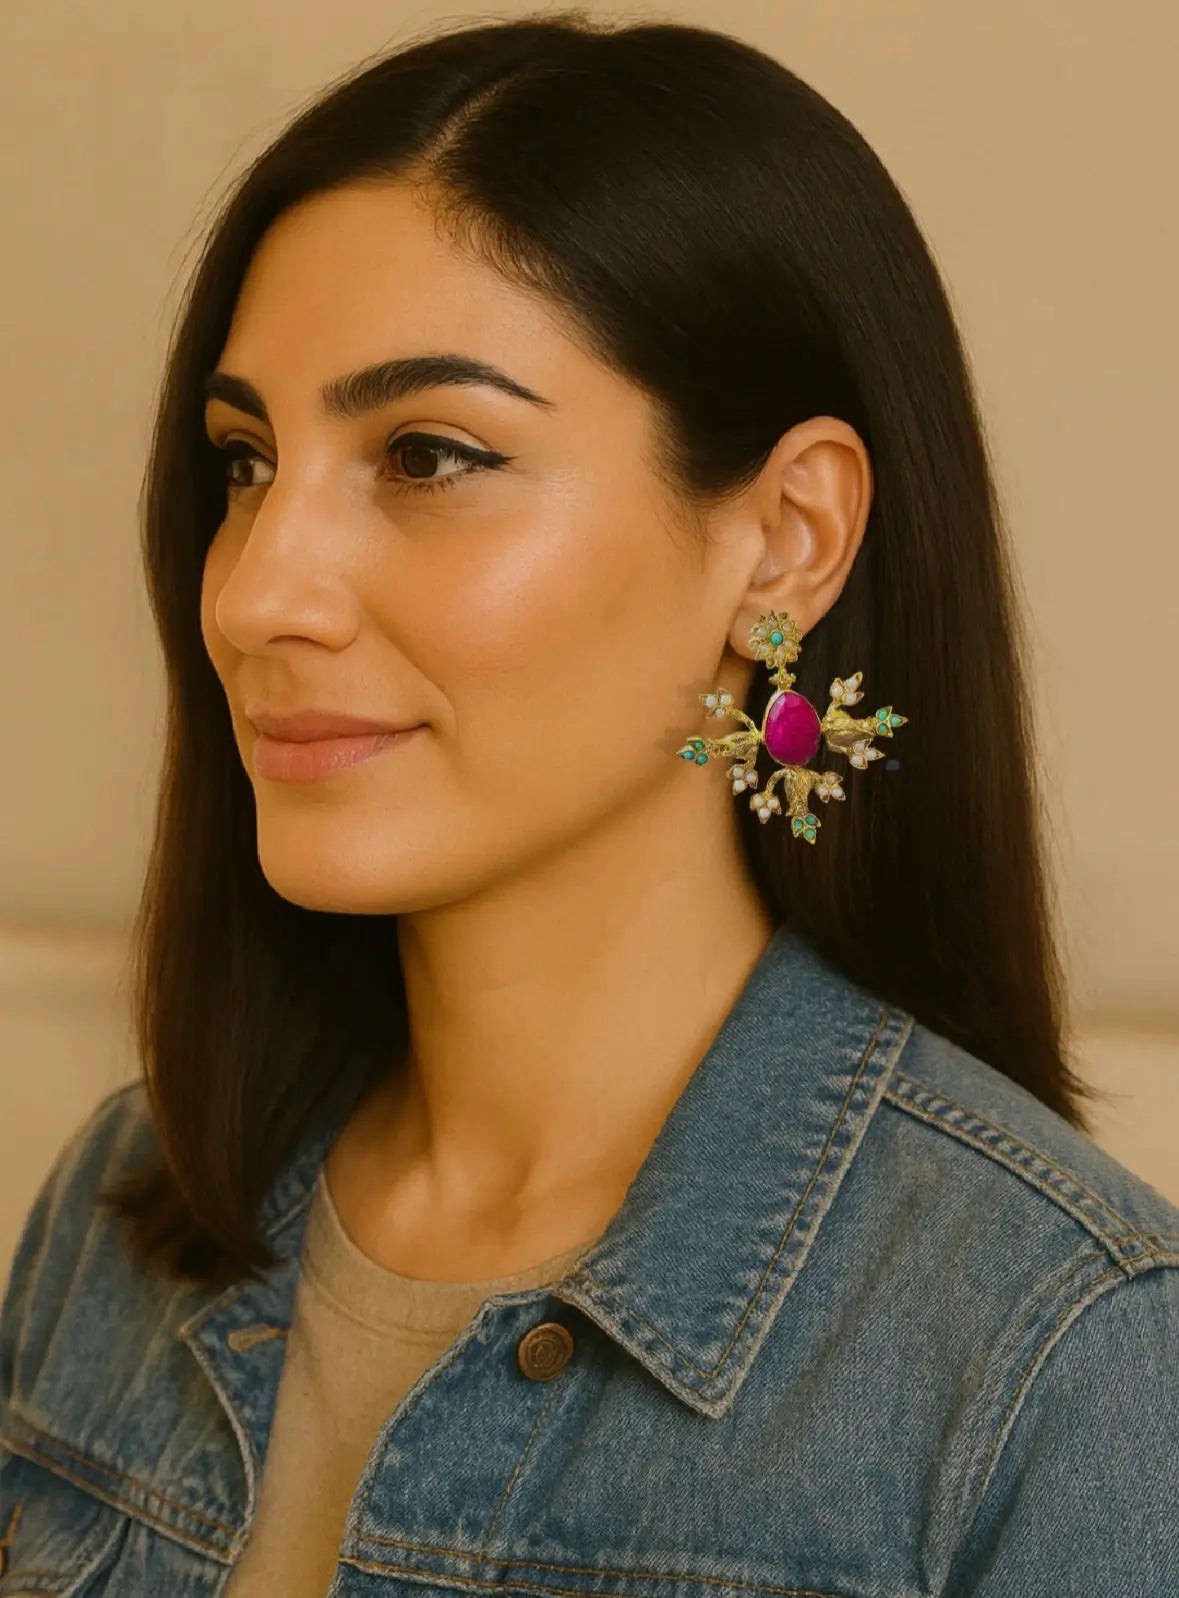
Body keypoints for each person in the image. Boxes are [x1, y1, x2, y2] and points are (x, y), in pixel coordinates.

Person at [1, 11, 1176, 1596]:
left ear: (782, 540)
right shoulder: (125, 1205)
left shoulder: (1054, 1356)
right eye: (244, 462)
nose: (258, 593)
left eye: (427, 453)